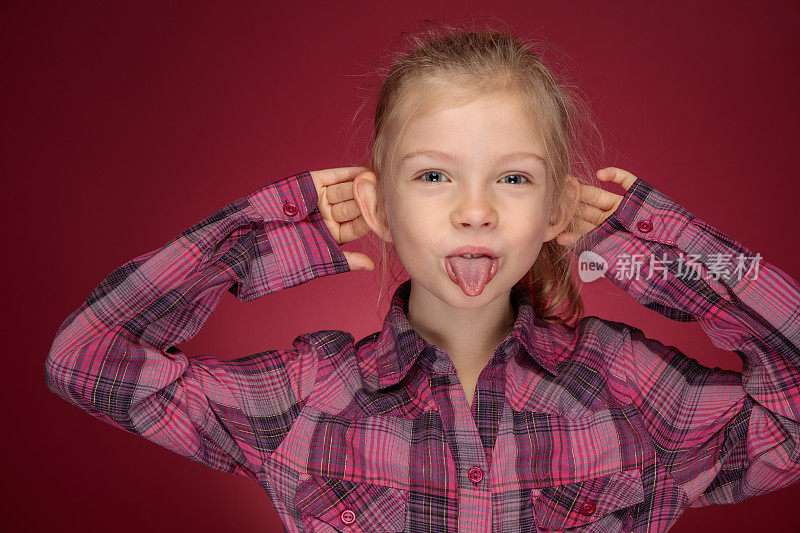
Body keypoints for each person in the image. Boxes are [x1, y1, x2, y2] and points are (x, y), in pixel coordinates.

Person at [44, 23, 800, 533]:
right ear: (379, 204)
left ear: (557, 210)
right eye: (435, 175)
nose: (474, 212)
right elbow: (87, 359)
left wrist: (646, 246)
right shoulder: (310, 394)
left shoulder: (630, 385)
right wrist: (253, 239)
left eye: (512, 179)